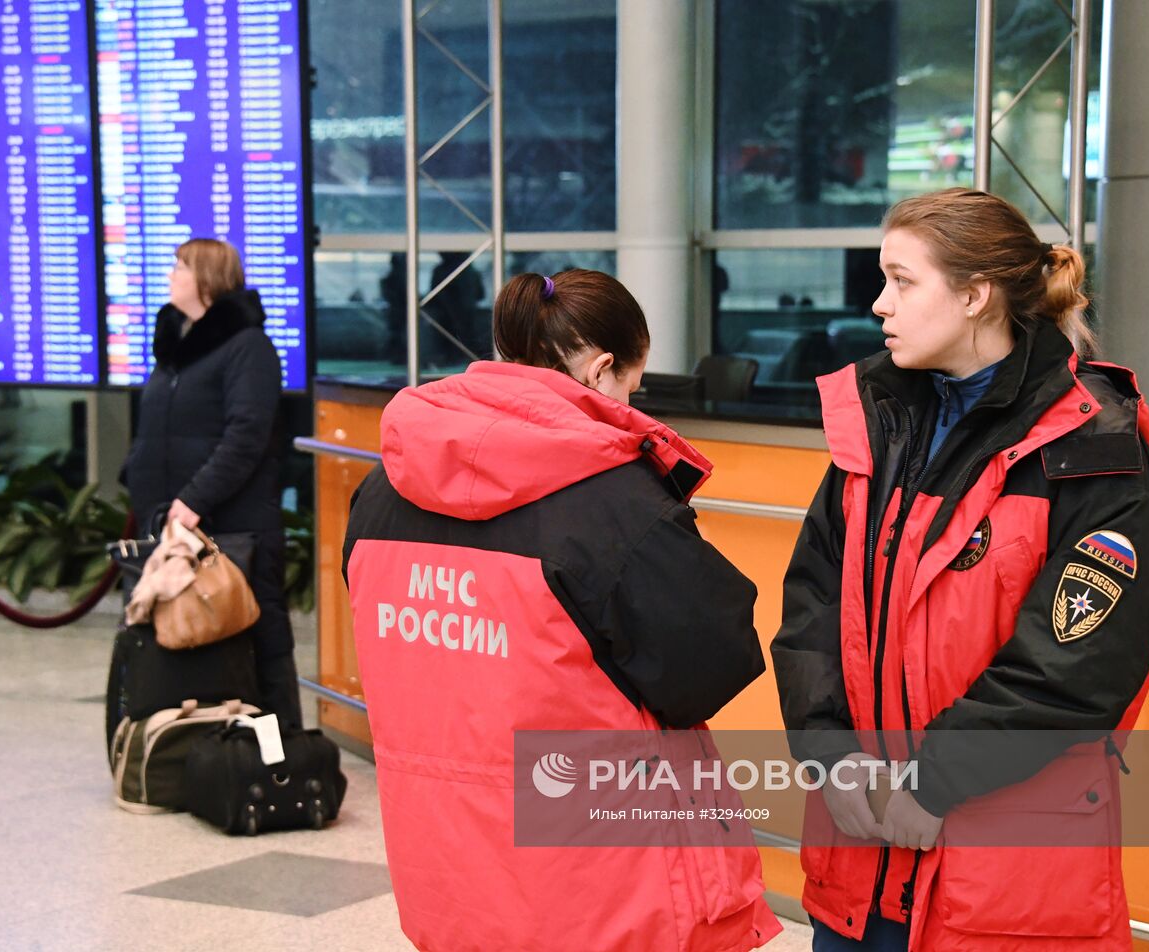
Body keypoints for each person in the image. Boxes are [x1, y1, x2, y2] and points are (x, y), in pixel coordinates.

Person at [772, 188, 1149, 950]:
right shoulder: (878, 421)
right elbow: (813, 606)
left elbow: (1074, 666)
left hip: (997, 866)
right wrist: (829, 757)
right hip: (861, 857)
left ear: (974, 295)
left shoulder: (1091, 446)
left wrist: (934, 784)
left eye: (902, 281)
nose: (878, 304)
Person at [342, 269, 781, 951]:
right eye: (634, 384)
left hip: (448, 865)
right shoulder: (612, 506)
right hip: (600, 882)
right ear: (603, 369)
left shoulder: (382, 490)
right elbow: (710, 662)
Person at [121, 238, 302, 730]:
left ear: (207, 277)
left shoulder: (248, 348)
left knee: (260, 639)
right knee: (182, 641)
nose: (171, 275)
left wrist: (195, 498)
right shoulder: (177, 352)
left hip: (237, 527)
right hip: (175, 528)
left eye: (181, 266)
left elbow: (247, 434)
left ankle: (279, 752)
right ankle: (197, 748)